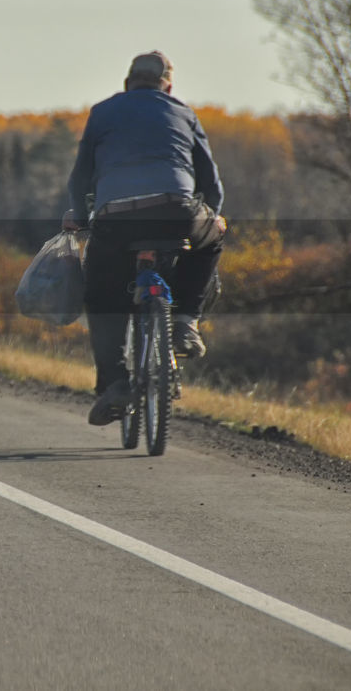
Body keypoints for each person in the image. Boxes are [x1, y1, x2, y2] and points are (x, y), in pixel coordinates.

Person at [63, 51, 227, 426]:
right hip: (175, 213)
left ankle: (115, 384)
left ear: (127, 82)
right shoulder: (184, 113)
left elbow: (80, 178)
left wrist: (82, 216)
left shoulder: (102, 112)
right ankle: (185, 320)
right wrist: (213, 215)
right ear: (167, 86)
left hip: (115, 218)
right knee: (212, 238)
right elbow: (211, 183)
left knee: (103, 298)